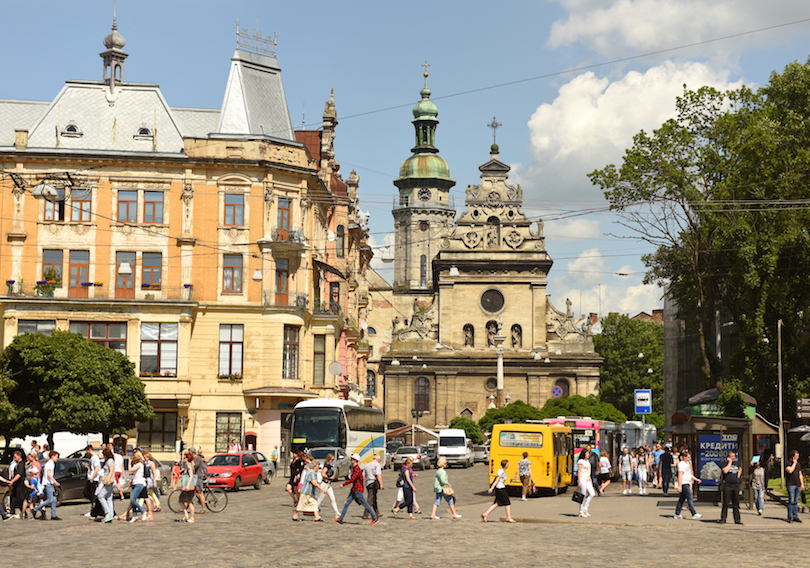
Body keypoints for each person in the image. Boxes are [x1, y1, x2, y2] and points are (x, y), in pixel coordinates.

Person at [334, 453, 378, 525]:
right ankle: (340, 519)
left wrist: (343, 484)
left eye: (352, 459)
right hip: (354, 489)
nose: (351, 460)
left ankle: (374, 517)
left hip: (358, 490)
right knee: (346, 503)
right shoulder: (354, 468)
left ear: (355, 460)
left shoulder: (357, 469)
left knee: (365, 504)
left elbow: (352, 479)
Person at [32, 450, 61, 520]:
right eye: (56, 457)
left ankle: (53, 515)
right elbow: (48, 474)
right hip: (48, 483)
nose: (57, 458)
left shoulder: (51, 463)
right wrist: (55, 481)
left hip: (50, 483)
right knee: (50, 499)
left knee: (54, 499)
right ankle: (35, 509)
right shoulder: (50, 464)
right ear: (53, 456)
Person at [674, 450, 702, 520]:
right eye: (688, 457)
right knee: (689, 498)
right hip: (684, 483)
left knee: (681, 499)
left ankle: (677, 513)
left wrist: (696, 479)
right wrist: (679, 486)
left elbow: (689, 474)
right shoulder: (682, 465)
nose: (689, 458)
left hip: (687, 482)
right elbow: (680, 475)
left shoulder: (687, 464)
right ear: (684, 457)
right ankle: (694, 513)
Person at [123, 451, 147, 523]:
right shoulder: (136, 465)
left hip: (139, 484)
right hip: (134, 483)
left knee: (133, 499)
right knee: (132, 500)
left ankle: (143, 512)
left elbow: (130, 470)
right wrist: (131, 481)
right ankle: (135, 515)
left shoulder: (140, 464)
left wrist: (129, 462)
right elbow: (132, 473)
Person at [719, 450, 742, 525]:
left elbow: (740, 469)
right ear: (728, 457)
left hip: (735, 486)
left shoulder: (736, 464)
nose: (733, 458)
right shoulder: (724, 463)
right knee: (726, 503)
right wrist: (729, 463)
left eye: (734, 456)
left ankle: (737, 520)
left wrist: (737, 476)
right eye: (732, 457)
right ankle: (723, 519)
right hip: (728, 485)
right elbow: (725, 471)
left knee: (736, 504)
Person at [316, 453, 341, 518]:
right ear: (329, 459)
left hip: (328, 485)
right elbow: (323, 474)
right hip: (324, 484)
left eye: (333, 459)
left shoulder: (330, 466)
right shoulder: (327, 466)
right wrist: (329, 477)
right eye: (332, 459)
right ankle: (314, 511)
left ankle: (337, 512)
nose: (333, 461)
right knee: (320, 499)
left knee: (333, 498)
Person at [97, 448, 116, 523]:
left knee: (100, 496)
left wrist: (108, 479)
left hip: (109, 481)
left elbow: (111, 471)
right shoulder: (108, 460)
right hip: (107, 480)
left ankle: (108, 513)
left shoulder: (110, 461)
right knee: (109, 498)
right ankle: (110, 514)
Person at [362, 453, 383, 519]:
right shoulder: (377, 465)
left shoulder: (367, 465)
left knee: (374, 498)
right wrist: (381, 483)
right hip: (373, 483)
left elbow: (363, 476)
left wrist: (362, 484)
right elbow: (378, 475)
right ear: (378, 459)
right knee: (370, 498)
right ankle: (365, 514)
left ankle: (377, 513)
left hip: (367, 483)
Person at [786, 449, 805, 523]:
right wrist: (794, 463)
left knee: (796, 501)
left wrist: (802, 484)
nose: (797, 458)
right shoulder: (788, 463)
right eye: (796, 456)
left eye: (798, 456)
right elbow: (790, 471)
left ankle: (795, 516)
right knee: (791, 500)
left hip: (797, 484)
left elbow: (800, 474)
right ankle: (789, 516)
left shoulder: (798, 464)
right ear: (792, 456)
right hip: (791, 484)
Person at [83, 445, 102, 519]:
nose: (87, 453)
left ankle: (93, 511)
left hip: (94, 479)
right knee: (87, 493)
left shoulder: (95, 458)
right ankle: (94, 510)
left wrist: (92, 477)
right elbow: (93, 468)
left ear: (90, 450)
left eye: (87, 451)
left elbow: (97, 468)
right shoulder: (92, 458)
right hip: (91, 477)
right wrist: (87, 467)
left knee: (92, 495)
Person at [577, 448, 596, 517]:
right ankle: (580, 511)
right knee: (583, 495)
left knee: (592, 493)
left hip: (588, 479)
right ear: (584, 454)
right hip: (582, 479)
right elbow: (579, 471)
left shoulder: (587, 461)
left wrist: (590, 480)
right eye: (587, 453)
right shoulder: (580, 461)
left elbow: (588, 471)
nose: (588, 454)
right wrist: (579, 481)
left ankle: (585, 508)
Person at [179, 450, 197, 523]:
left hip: (189, 487)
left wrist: (188, 485)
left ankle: (192, 518)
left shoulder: (189, 466)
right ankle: (186, 514)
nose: (183, 459)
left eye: (184, 458)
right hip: (187, 487)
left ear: (187, 459)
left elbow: (191, 476)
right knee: (180, 500)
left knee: (190, 502)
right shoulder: (187, 466)